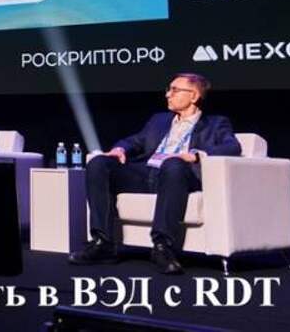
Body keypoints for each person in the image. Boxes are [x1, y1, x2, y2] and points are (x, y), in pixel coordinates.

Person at [69, 73, 241, 274]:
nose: (168, 94)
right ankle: (103, 244)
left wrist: (195, 155)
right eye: (168, 89)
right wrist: (120, 149)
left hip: (180, 175)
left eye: (174, 90)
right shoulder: (159, 120)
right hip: (147, 173)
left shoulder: (215, 123)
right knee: (98, 163)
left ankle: (162, 247)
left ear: (194, 96)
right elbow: (136, 140)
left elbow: (232, 146)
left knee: (173, 164)